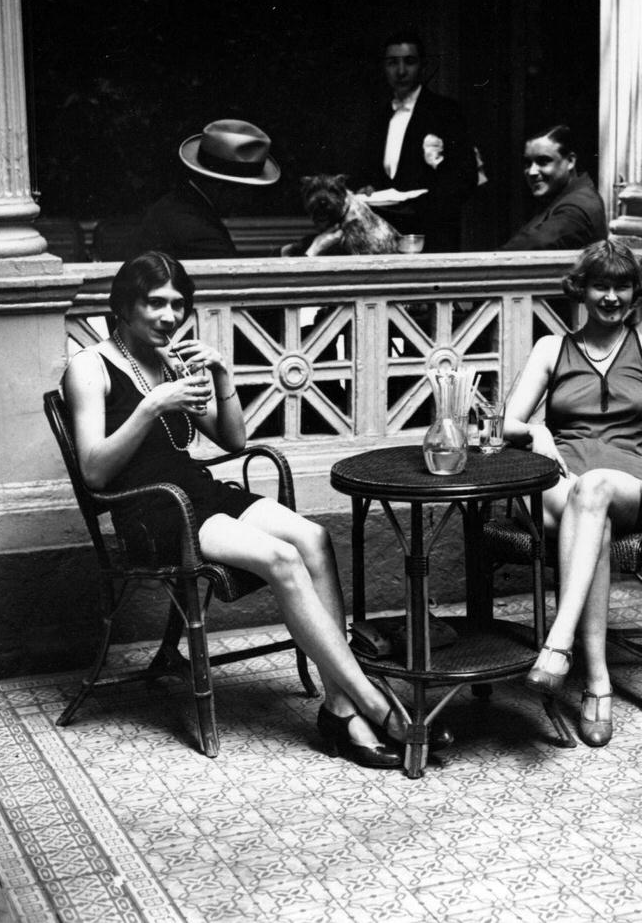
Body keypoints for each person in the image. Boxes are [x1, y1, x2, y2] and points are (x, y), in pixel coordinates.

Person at [62, 250, 440, 769]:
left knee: (312, 538)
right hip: (152, 510)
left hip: (198, 491)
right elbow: (95, 472)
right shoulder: (88, 367)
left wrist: (220, 374)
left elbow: (234, 440)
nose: (170, 317)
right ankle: (375, 706)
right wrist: (153, 405)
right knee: (282, 559)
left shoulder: (170, 360)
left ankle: (338, 705)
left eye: (178, 305)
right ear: (124, 305)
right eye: (155, 303)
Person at [501, 239, 642, 747]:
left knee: (596, 490)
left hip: (630, 483)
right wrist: (535, 433)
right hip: (560, 482)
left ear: (635, 291)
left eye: (622, 286)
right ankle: (596, 685)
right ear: (581, 290)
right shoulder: (551, 349)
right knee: (587, 508)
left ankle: (559, 644)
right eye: (601, 285)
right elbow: (509, 422)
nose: (612, 296)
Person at [350, 29, 477, 253]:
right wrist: (367, 187)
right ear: (384, 67)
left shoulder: (446, 112)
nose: (400, 71)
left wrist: (423, 207)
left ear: (423, 66)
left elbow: (466, 178)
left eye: (409, 62)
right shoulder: (378, 117)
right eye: (392, 63)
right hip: (383, 235)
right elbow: (367, 171)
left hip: (433, 235)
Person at [126, 120, 280, 260]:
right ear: (221, 186)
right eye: (245, 191)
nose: (247, 200)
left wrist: (281, 254)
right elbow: (232, 278)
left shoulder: (177, 203)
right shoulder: (200, 233)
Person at [501, 124, 606, 251]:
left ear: (570, 161)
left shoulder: (577, 207)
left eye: (543, 161)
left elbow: (539, 242)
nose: (532, 172)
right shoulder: (563, 197)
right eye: (528, 163)